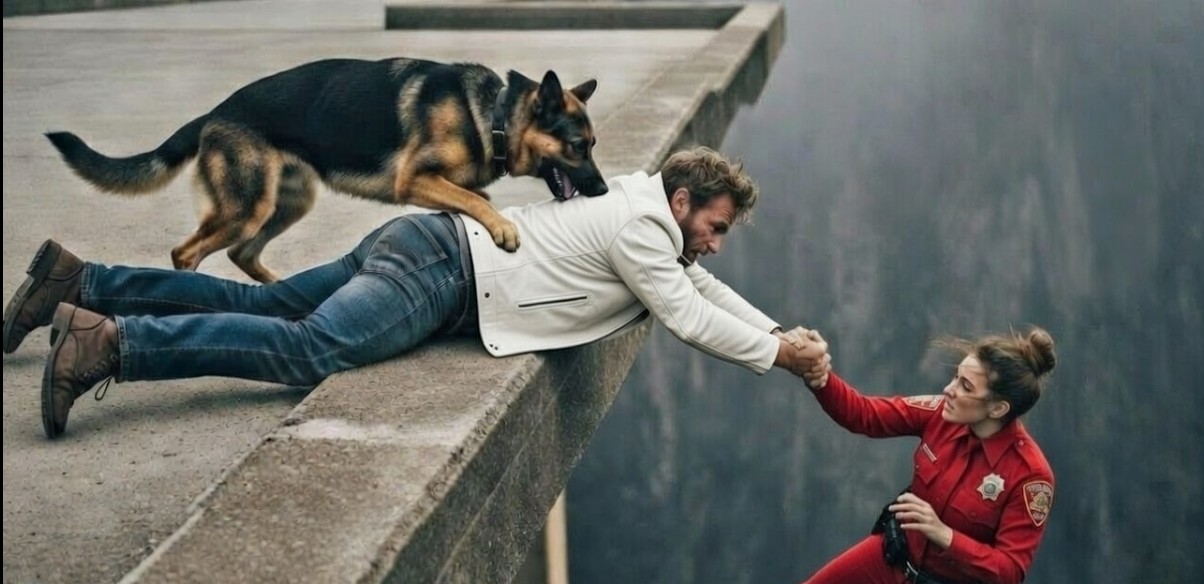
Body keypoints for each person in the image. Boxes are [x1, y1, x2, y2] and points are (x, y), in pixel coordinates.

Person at [2, 146, 830, 439]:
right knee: (307, 348)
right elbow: (686, 314)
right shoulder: (647, 229)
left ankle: (83, 282)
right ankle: (110, 342)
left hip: (428, 245)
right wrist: (780, 357)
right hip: (440, 275)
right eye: (714, 224)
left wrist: (778, 328)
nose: (713, 242)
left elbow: (701, 283)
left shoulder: (643, 209)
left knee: (271, 308)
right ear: (685, 203)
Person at [683, 327, 1059, 584]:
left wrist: (945, 536)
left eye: (965, 386)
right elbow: (866, 415)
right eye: (955, 376)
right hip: (891, 559)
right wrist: (821, 379)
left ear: (998, 408)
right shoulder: (941, 415)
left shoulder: (1030, 477)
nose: (949, 389)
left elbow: (1010, 570)